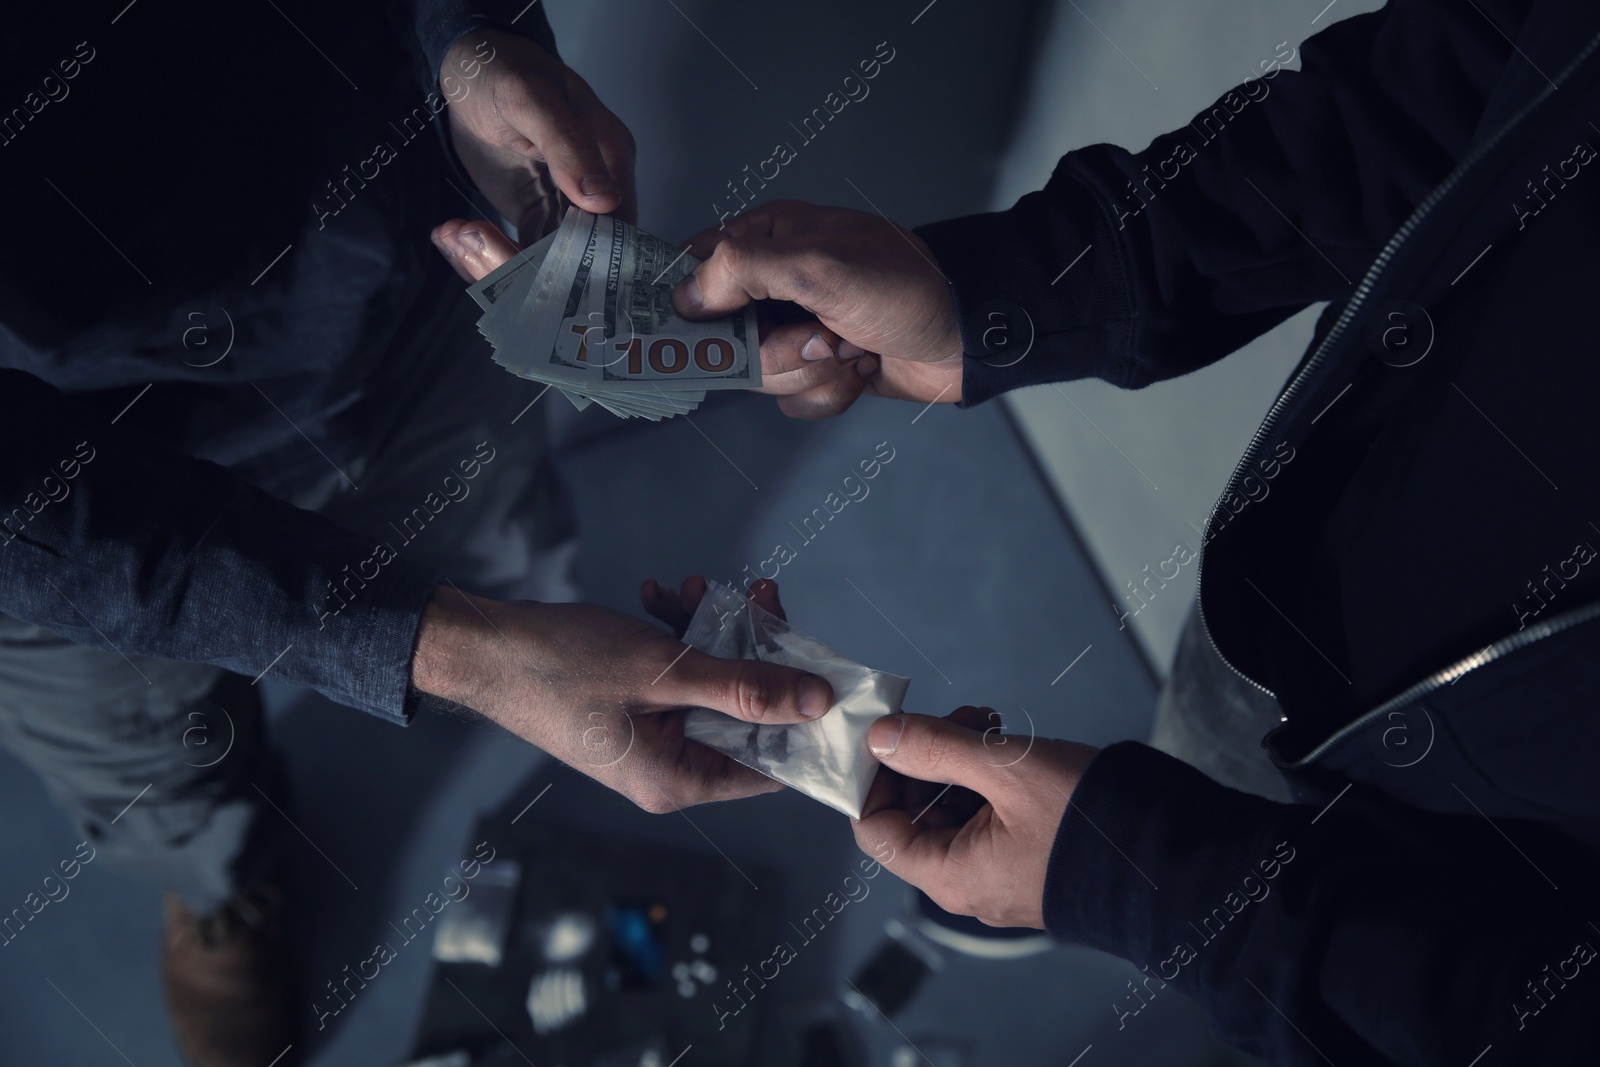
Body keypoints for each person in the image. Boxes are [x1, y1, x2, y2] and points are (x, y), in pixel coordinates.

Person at [652, 0, 1600, 1062]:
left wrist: (1145, 884)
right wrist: (1006, 294)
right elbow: (1475, 69)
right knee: (1205, 743)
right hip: (1293, 599)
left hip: (1505, 896)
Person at [0, 5, 832, 1065]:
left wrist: (471, 39)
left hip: (411, 267)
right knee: (150, 764)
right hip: (61, 498)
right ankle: (219, 886)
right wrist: (458, 652)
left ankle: (459, 679)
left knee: (490, 538)